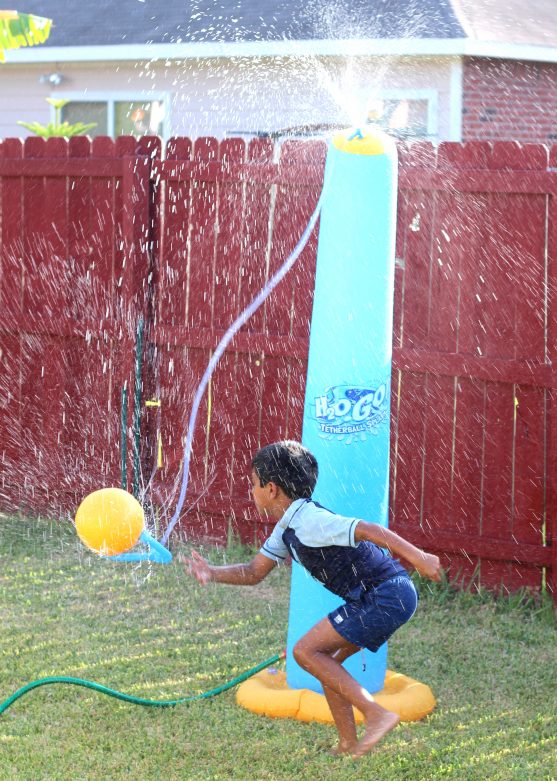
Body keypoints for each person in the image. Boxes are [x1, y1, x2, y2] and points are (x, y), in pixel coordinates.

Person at [184, 440, 442, 758]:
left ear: (272, 489)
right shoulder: (286, 527)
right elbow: (254, 572)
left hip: (386, 594)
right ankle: (348, 744)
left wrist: (419, 558)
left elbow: (369, 529)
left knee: (305, 651)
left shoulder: (310, 521)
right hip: (379, 596)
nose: (250, 491)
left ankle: (375, 714)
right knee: (327, 662)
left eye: (253, 484)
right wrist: (212, 572)